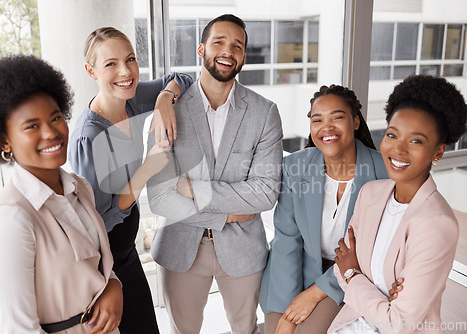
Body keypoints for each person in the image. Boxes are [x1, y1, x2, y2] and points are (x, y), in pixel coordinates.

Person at [146, 14, 283, 334]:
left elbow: (264, 193)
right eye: (219, 42)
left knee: (246, 329)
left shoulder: (265, 113)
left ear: (244, 57)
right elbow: (159, 196)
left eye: (237, 45)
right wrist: (233, 213)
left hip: (243, 253)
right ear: (201, 49)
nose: (228, 50)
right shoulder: (169, 110)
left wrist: (189, 186)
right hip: (179, 249)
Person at [0, 55, 122, 333]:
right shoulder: (10, 219)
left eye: (55, 118)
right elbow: (18, 329)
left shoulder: (79, 187)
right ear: (4, 140)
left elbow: (95, 266)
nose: (51, 133)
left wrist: (112, 284)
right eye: (32, 126)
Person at [68, 27, 193, 334]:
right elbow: (101, 219)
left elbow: (183, 78)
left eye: (131, 59)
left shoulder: (132, 99)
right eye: (110, 64)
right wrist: (147, 170)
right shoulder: (90, 137)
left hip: (126, 250)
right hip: (102, 262)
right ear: (91, 70)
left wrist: (164, 98)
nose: (125, 71)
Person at [328, 75, 467, 334]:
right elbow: (341, 264)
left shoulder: (437, 223)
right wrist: (379, 296)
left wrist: (353, 276)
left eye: (416, 141)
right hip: (350, 325)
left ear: (438, 152)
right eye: (392, 134)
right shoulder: (370, 194)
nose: (398, 149)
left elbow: (397, 324)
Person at [259, 84, 388, 334]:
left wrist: (313, 295)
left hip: (351, 275)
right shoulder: (294, 167)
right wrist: (290, 307)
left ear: (356, 122)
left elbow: (369, 251)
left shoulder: (383, 173)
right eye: (317, 120)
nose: (326, 128)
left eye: (337, 117)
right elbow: (287, 240)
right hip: (297, 268)